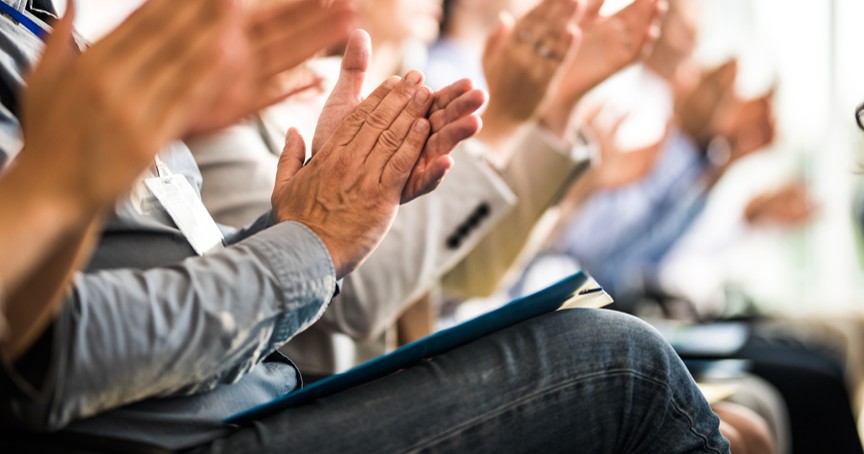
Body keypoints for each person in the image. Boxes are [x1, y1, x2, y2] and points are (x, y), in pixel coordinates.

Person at [0, 0, 730, 452]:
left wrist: (297, 226)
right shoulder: (218, 92)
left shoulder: (56, 44)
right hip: (207, 426)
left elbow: (458, 278)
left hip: (255, 396)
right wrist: (312, 236)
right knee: (627, 369)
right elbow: (53, 342)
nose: (432, 6)